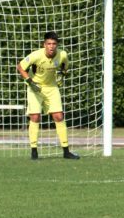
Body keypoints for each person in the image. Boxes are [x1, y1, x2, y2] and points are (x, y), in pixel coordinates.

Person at [16, 32, 79, 160]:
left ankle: (66, 151)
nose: (51, 46)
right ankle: (34, 152)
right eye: (49, 44)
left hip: (51, 88)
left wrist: (62, 74)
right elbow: (20, 67)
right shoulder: (36, 55)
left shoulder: (62, 55)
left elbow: (65, 67)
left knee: (59, 116)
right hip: (35, 88)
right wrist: (29, 81)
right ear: (44, 44)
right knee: (35, 117)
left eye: (54, 44)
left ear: (57, 45)